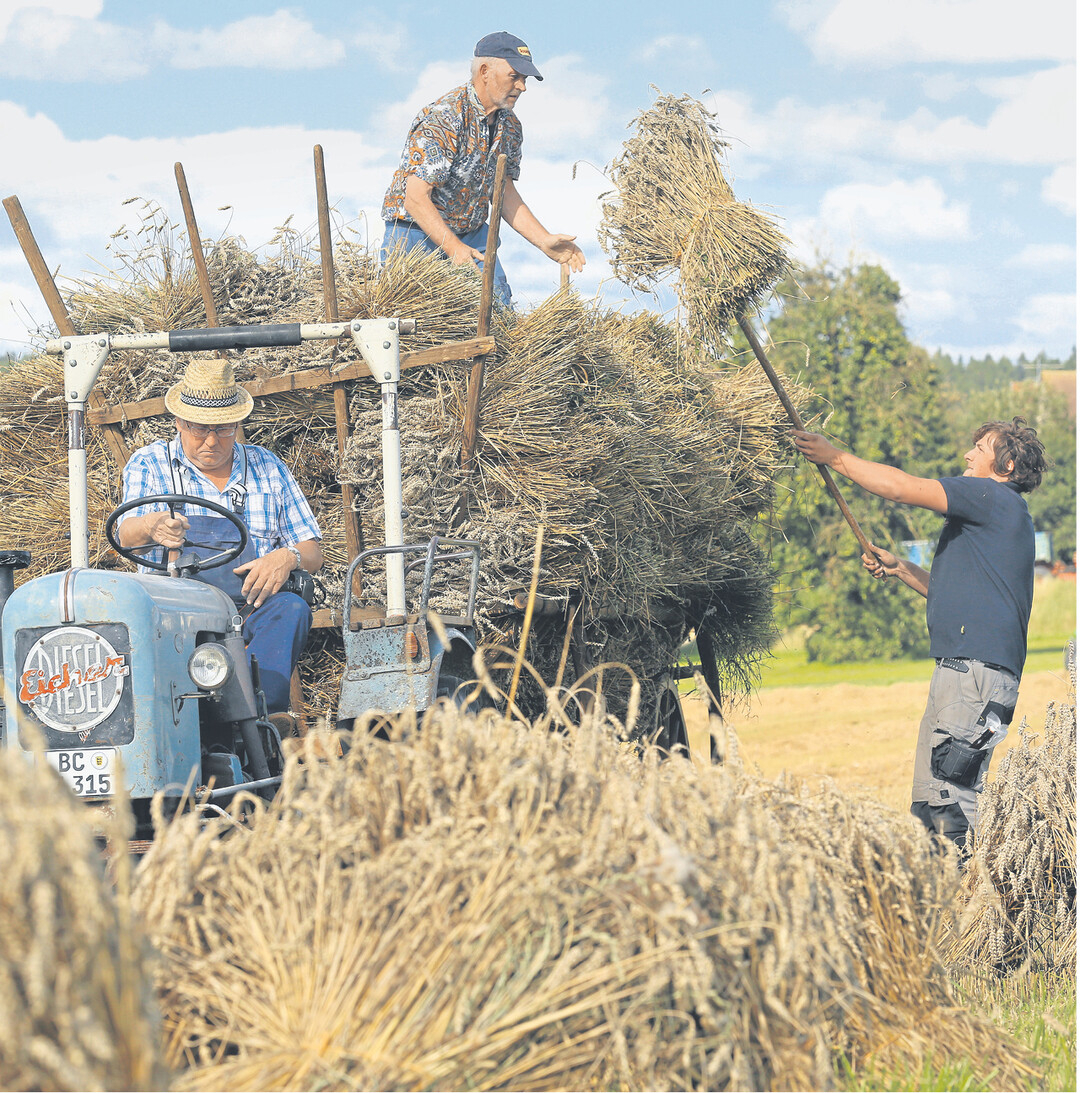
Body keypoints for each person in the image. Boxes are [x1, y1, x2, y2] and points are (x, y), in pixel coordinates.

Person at [791, 418, 1049, 850]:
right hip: (966, 673)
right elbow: (961, 595)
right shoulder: (1004, 515)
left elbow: (901, 488)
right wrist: (902, 569)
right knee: (930, 806)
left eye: (980, 449)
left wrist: (833, 457)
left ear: (1005, 466)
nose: (968, 454)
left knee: (951, 805)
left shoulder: (990, 495)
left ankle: (974, 892)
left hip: (971, 675)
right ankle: (943, 892)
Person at [118, 358, 323, 725]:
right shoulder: (150, 463)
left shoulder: (267, 467)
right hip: (174, 614)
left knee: (291, 608)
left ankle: (258, 722)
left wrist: (286, 557)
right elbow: (125, 534)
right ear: (179, 422)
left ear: (238, 424)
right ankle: (206, 723)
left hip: (248, 611)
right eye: (199, 429)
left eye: (224, 429)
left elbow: (312, 551)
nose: (212, 441)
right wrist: (151, 525)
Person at [380, 30, 586, 307]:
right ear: (485, 71)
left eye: (525, 79)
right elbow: (415, 197)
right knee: (413, 320)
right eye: (514, 76)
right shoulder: (444, 117)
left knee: (497, 314)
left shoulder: (510, 126)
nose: (522, 87)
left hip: (471, 234)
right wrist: (453, 248)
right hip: (415, 233)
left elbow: (503, 192)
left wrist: (544, 241)